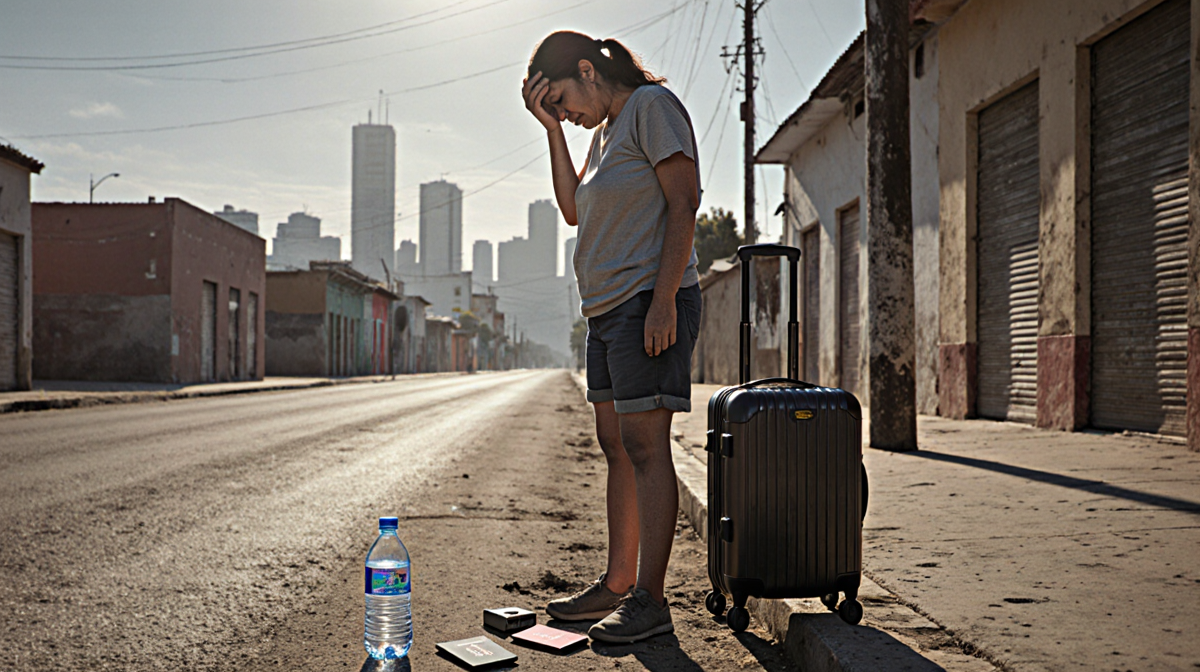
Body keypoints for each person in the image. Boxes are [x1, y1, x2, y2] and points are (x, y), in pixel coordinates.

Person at [521, 31, 702, 644]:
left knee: (647, 446)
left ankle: (651, 600)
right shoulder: (602, 135)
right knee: (616, 443)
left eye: (565, 103)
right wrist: (550, 132)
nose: (567, 116)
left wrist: (662, 302)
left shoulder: (651, 108)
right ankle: (618, 582)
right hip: (605, 312)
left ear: (586, 71)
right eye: (558, 114)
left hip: (645, 304)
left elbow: (685, 203)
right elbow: (573, 209)